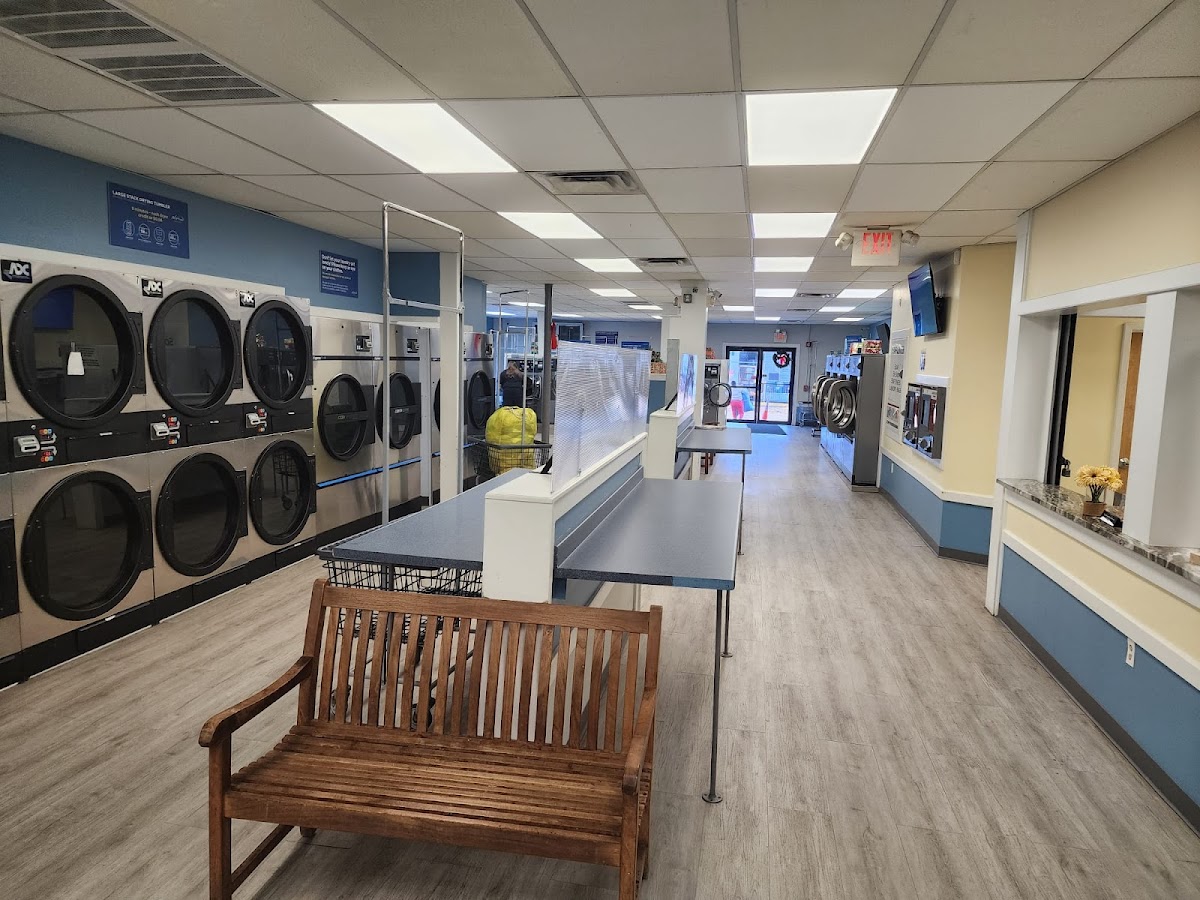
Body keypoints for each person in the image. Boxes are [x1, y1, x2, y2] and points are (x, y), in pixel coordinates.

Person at [485, 379, 538, 473]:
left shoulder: (500, 416)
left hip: (504, 465)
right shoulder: (527, 415)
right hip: (526, 464)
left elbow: (492, 435)